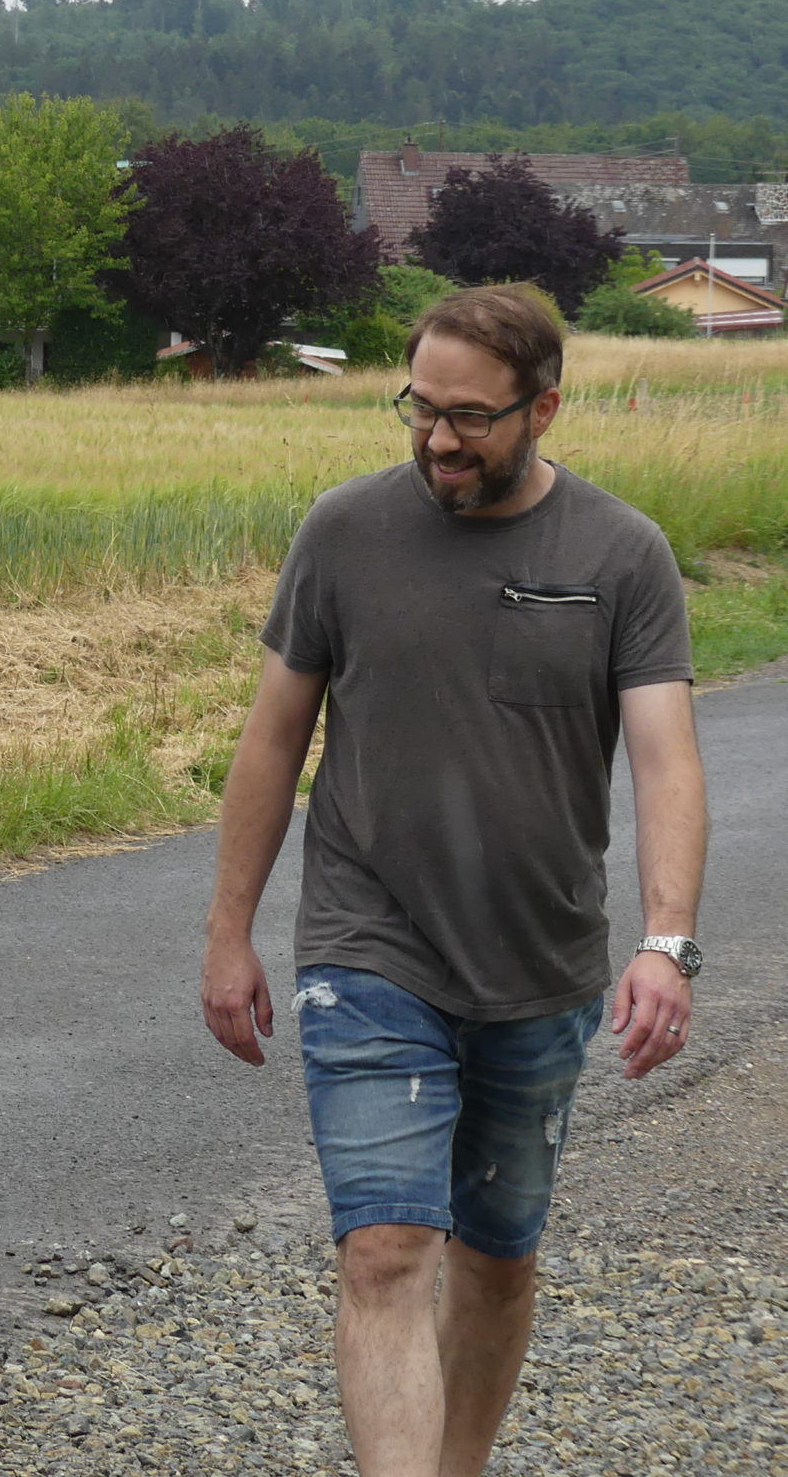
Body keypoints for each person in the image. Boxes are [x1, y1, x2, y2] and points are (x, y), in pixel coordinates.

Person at [199, 284, 707, 1477]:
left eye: (469, 417)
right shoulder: (343, 533)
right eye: (420, 407)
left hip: (539, 963)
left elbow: (665, 758)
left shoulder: (620, 553)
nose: (437, 438)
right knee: (384, 1250)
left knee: (495, 1256)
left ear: (544, 410)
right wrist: (228, 933)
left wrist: (666, 942)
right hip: (369, 945)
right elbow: (271, 738)